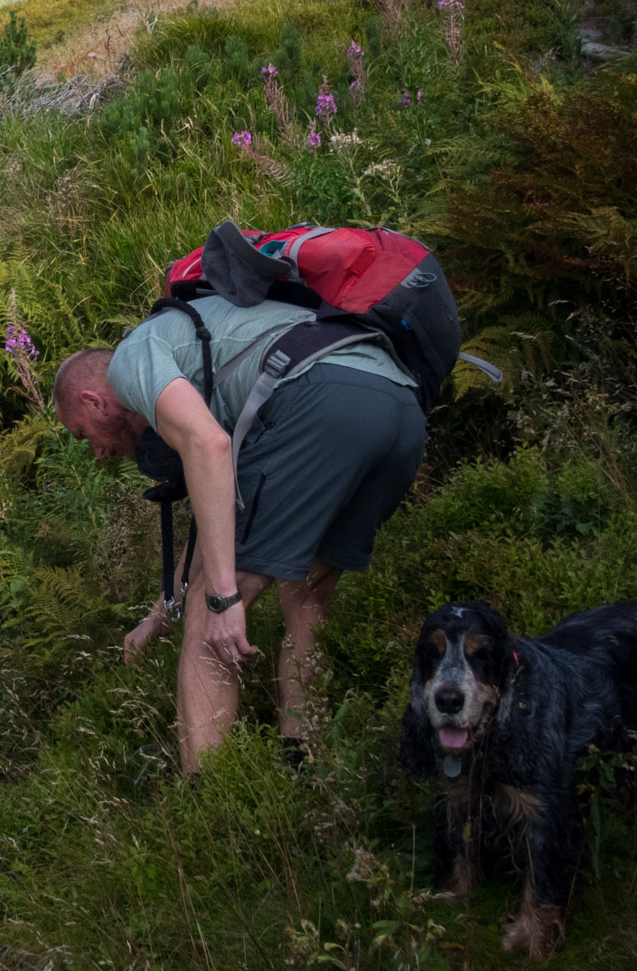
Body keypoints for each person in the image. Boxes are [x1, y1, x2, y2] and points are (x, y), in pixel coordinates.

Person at [53, 296, 425, 772]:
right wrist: (160, 610)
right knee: (306, 591)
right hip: (399, 409)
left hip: (320, 400)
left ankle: (205, 796)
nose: (98, 454)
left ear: (94, 400)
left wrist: (224, 599)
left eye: (84, 436)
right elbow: (221, 513)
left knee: (211, 617)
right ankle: (302, 764)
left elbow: (211, 445)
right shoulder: (205, 370)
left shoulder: (133, 359)